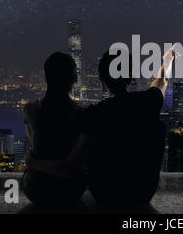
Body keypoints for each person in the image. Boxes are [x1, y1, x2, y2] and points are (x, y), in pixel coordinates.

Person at [26, 49, 174, 208]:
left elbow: (71, 165)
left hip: (106, 194)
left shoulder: (93, 115)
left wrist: (32, 162)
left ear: (101, 78)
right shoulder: (148, 101)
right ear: (130, 76)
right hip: (144, 193)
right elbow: (161, 81)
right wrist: (167, 61)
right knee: (158, 126)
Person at [23, 52, 87, 206]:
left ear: (46, 78)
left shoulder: (29, 109)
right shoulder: (81, 114)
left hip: (35, 189)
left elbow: (37, 147)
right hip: (71, 190)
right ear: (75, 79)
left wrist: (31, 162)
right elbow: (74, 165)